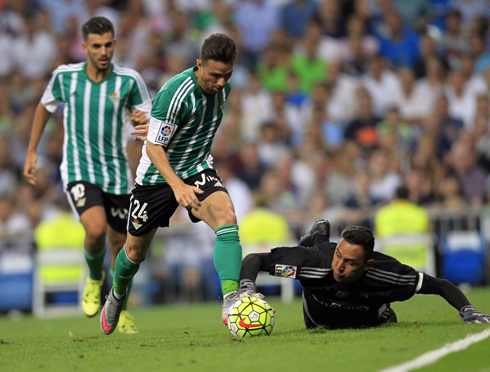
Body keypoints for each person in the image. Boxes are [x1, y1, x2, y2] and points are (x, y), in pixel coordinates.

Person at [100, 33, 244, 335]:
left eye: (226, 75)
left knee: (227, 219)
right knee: (135, 252)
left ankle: (232, 301)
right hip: (156, 176)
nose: (221, 83)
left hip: (196, 166)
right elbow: (153, 148)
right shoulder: (176, 92)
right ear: (198, 65)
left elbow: (180, 120)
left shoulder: (224, 87)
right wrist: (176, 185)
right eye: (215, 75)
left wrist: (157, 123)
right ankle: (117, 293)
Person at [23, 17, 152, 334]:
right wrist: (31, 151)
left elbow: (151, 118)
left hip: (117, 173)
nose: (103, 51)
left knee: (121, 246)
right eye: (97, 46)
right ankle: (95, 279)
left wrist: (142, 118)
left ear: (115, 44)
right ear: (84, 48)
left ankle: (117, 309)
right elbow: (44, 107)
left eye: (108, 44)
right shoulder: (66, 77)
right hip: (79, 169)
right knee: (94, 229)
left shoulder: (129, 80)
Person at [236, 220, 490, 329]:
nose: (341, 266)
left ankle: (319, 234)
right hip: (318, 319)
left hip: (367, 317)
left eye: (350, 262)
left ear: (366, 265)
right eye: (339, 256)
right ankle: (318, 235)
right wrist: (247, 289)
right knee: (320, 254)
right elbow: (254, 259)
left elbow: (441, 285)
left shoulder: (388, 273)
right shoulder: (315, 262)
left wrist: (469, 311)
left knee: (382, 313)